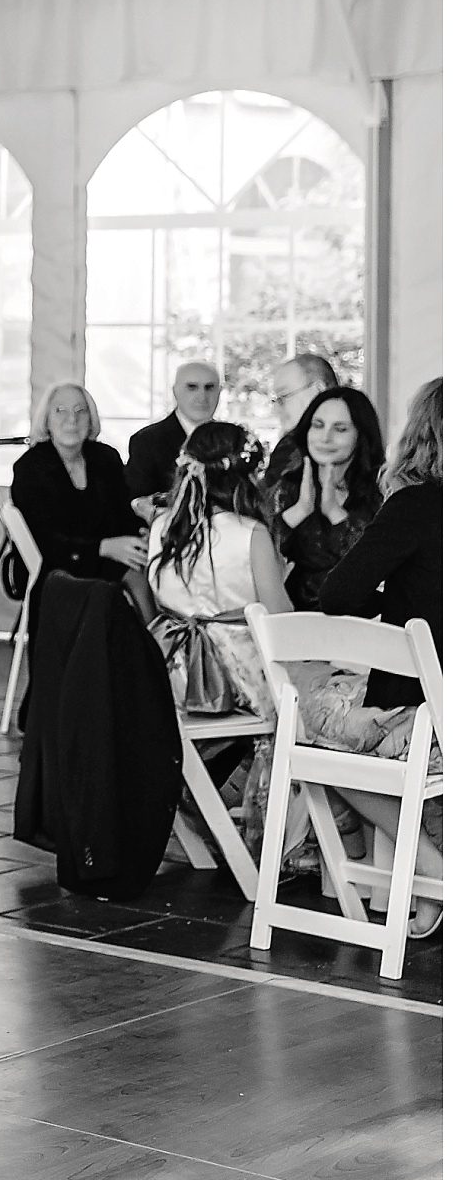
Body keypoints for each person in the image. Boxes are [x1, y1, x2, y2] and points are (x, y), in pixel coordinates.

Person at [316, 377, 443, 938]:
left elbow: (338, 596)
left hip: (427, 722)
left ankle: (434, 871)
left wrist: (392, 595)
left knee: (308, 727)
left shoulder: (415, 506)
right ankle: (427, 886)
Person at [145, 421, 294, 862]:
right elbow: (280, 618)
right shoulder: (250, 533)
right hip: (233, 675)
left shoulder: (162, 528)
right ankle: (271, 830)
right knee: (302, 700)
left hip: (170, 667)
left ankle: (209, 803)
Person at [9, 382, 145, 597]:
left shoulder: (106, 458)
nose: (72, 419)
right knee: (135, 581)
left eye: (81, 410)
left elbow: (123, 515)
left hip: (104, 559)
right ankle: (156, 631)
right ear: (46, 420)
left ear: (91, 419)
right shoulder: (30, 468)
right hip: (55, 567)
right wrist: (103, 548)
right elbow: (44, 540)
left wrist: (143, 535)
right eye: (60, 410)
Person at [270, 386, 384, 610]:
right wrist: (300, 510)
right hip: (295, 620)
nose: (325, 438)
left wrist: (334, 512)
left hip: (364, 624)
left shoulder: (382, 488)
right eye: (318, 426)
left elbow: (373, 564)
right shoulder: (287, 485)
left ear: (361, 435)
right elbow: (259, 557)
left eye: (340, 429)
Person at [126, 360, 222, 520]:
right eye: (192, 387)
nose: (202, 396)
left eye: (209, 387)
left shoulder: (231, 440)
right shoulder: (147, 441)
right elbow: (137, 503)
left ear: (220, 391)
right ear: (175, 391)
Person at [263, 353, 341, 482]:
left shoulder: (292, 449)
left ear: (318, 390)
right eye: (275, 400)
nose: (276, 409)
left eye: (283, 397)